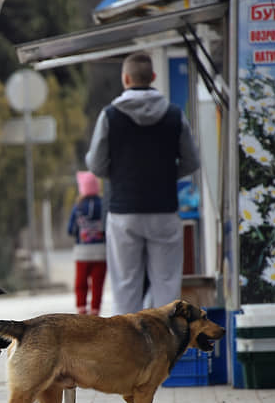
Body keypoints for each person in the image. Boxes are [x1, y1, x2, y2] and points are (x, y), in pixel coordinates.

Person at [85, 51, 200, 315]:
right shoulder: (173, 115)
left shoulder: (110, 116)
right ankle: (166, 352)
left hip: (123, 212)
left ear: (125, 78)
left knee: (126, 289)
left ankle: (127, 354)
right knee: (167, 288)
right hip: (164, 211)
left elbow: (97, 165)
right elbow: (191, 161)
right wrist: (167, 176)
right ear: (154, 77)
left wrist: (121, 174)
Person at [67, 171, 106, 315]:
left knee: (81, 283)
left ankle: (81, 308)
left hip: (82, 253)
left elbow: (70, 229)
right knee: (97, 284)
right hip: (101, 253)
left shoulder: (78, 207)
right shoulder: (104, 205)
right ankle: (95, 310)